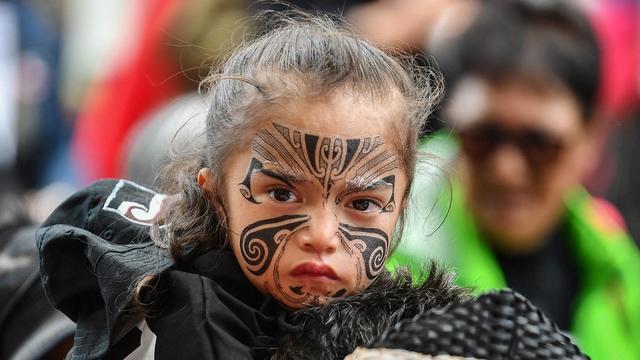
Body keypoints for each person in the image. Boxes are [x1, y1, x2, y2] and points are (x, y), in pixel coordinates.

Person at [36, 13, 467, 359]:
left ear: (401, 208)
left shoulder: (407, 322)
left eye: (362, 202)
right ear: (215, 196)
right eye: (282, 195)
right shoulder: (191, 323)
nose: (321, 236)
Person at [388, 1, 640, 359]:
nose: (506, 169)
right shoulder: (384, 238)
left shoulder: (613, 257)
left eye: (539, 143)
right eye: (483, 137)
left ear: (592, 140)